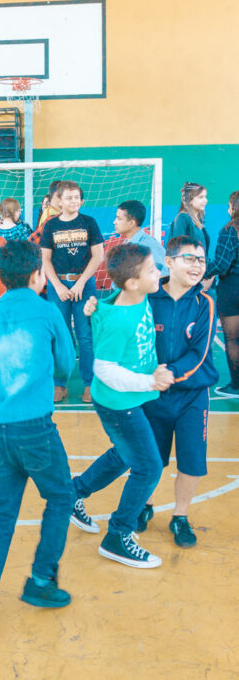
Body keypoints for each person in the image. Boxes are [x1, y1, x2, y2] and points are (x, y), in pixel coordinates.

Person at [0, 241, 77, 636]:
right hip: (36, 429)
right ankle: (41, 580)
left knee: (0, 515)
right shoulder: (48, 311)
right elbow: (66, 363)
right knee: (61, 497)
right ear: (37, 275)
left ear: (3, 279)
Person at [70, 243, 172, 569]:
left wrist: (94, 308)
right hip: (118, 402)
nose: (159, 273)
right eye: (152, 270)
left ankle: (74, 493)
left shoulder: (129, 296)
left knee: (125, 454)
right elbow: (104, 370)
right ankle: (118, 535)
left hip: (133, 399)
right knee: (148, 467)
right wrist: (149, 381)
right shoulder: (119, 321)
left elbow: (107, 304)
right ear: (132, 282)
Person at [130, 236, 218, 548]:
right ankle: (145, 505)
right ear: (169, 261)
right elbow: (127, 328)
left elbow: (200, 353)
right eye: (190, 258)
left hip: (192, 396)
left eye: (201, 260)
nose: (198, 265)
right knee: (151, 458)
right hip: (153, 394)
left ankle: (180, 516)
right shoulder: (148, 296)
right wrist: (95, 308)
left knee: (191, 461)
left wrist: (169, 374)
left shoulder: (205, 302)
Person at [40, 180, 104, 404]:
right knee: (61, 335)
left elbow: (98, 256)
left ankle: (89, 384)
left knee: (85, 336)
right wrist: (58, 285)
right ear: (59, 201)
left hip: (84, 286)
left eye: (77, 197)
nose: (74, 201)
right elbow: (45, 259)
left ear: (81, 200)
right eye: (69, 197)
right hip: (58, 287)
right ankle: (59, 384)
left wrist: (80, 283)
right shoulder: (50, 226)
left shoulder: (89, 223)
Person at [206, 191, 239, 399]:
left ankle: (236, 387)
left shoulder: (229, 231)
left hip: (232, 288)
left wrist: (202, 271)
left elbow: (221, 265)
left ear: (233, 207)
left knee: (233, 340)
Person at [113, 199, 166, 272]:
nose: (114, 222)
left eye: (119, 218)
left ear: (132, 223)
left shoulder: (149, 245)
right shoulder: (126, 244)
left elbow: (164, 274)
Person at [168, 182, 210, 254]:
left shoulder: (198, 222)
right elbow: (178, 249)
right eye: (201, 197)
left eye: (205, 197)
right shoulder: (182, 218)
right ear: (190, 200)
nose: (206, 200)